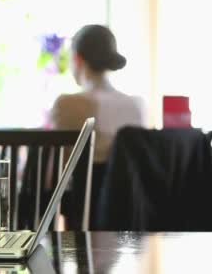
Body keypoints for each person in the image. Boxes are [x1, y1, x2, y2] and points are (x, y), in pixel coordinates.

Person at [49, 24, 146, 216]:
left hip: (84, 210)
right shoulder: (137, 104)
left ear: (77, 58)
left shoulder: (68, 103)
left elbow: (55, 171)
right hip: (131, 209)